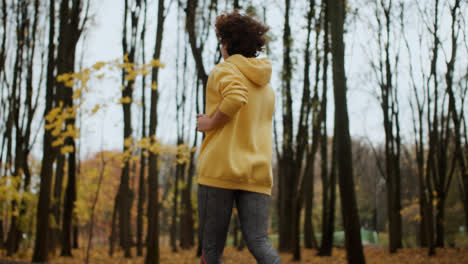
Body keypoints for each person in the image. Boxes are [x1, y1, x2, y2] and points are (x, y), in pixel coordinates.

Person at [196, 10, 282, 264]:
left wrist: (209, 122)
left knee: (211, 249)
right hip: (256, 173)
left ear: (227, 43)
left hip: (219, 170)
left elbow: (235, 98)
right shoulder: (266, 87)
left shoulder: (225, 71)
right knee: (259, 241)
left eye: (222, 40)